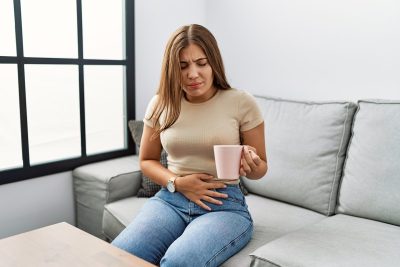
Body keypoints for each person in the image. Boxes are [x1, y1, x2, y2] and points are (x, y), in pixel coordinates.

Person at [112, 24, 268, 266]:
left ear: (213, 62)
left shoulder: (241, 102)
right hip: (171, 200)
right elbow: (147, 160)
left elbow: (261, 169)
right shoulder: (160, 104)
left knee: (179, 261)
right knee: (119, 257)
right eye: (182, 66)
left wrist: (252, 162)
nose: (192, 74)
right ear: (171, 69)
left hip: (224, 205)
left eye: (201, 63)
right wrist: (177, 183)